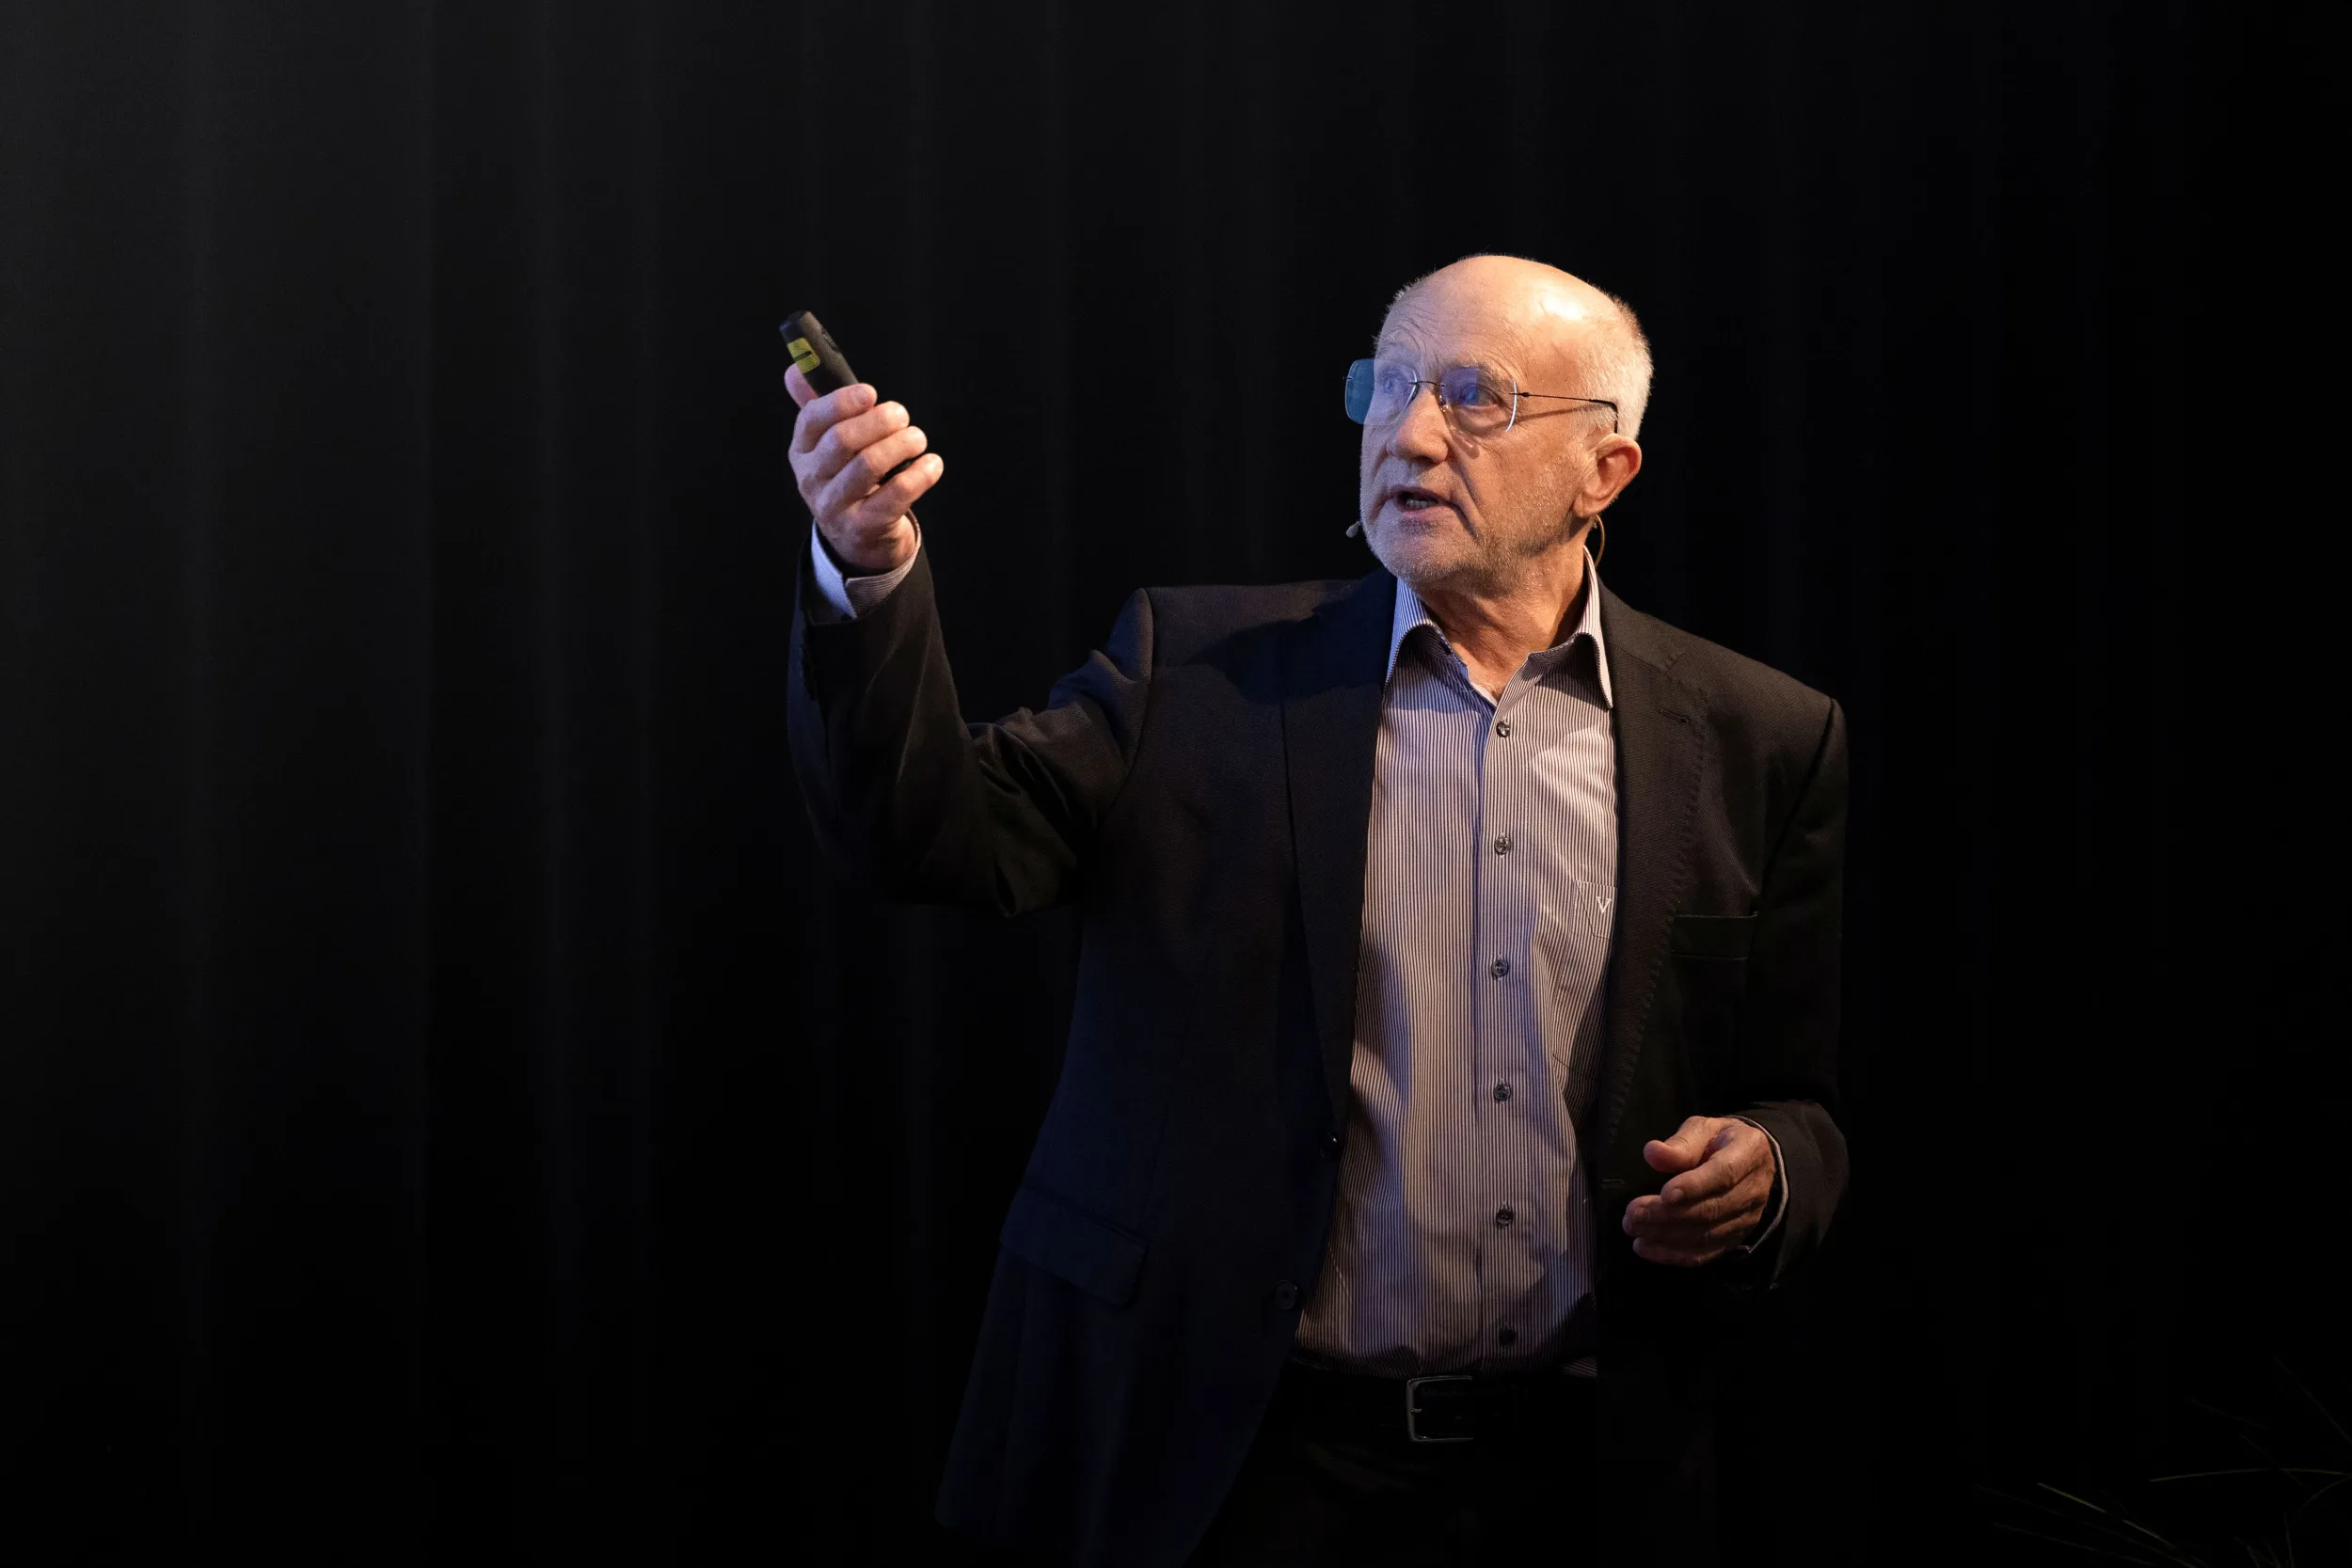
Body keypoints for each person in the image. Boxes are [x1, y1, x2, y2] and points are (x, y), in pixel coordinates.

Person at [785, 255, 1849, 1567]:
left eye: (1475, 396)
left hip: (1585, 1480)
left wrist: (1767, 1168)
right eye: (1387, 386)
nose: (1409, 434)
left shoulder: (1760, 738)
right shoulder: (1197, 675)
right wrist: (866, 567)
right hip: (1241, 1463)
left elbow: (1805, 1101)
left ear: (1604, 472)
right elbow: (923, 838)